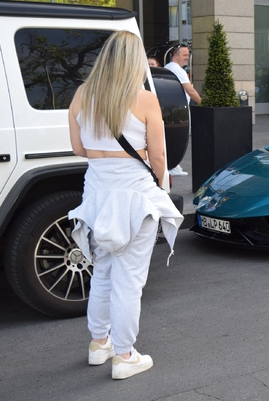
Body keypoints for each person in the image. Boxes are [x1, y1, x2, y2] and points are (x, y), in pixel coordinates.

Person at [67, 30, 183, 380]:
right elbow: (160, 156)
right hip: (135, 198)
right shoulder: (144, 99)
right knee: (129, 281)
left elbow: (79, 149)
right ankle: (124, 355)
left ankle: (98, 344)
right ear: (135, 62)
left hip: (97, 196)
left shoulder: (82, 95)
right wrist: (159, 179)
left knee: (102, 273)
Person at [164, 44, 200, 176]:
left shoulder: (167, 68)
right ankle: (172, 165)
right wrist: (204, 103)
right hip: (179, 109)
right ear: (175, 55)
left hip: (168, 109)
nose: (187, 57)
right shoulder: (178, 70)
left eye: (188, 55)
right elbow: (189, 90)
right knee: (180, 137)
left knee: (170, 137)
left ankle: (172, 164)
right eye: (184, 55)